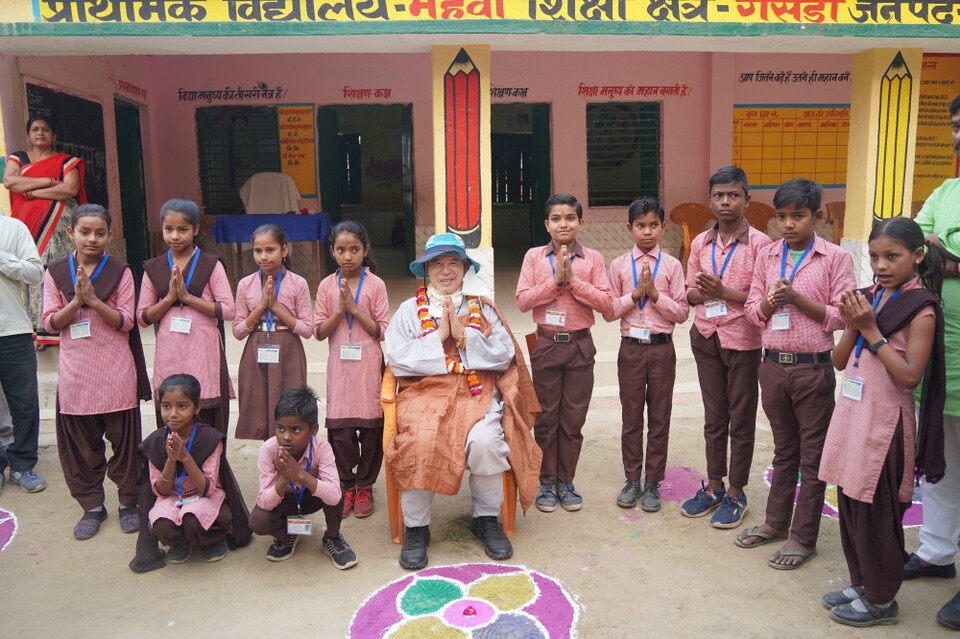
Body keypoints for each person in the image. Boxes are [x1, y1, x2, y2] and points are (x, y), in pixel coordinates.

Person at [385, 233, 541, 570]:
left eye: (453, 263)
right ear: (426, 269)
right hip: (423, 395)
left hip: (476, 393)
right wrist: (438, 337)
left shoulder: (482, 308)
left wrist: (463, 335)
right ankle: (417, 529)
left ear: (464, 268)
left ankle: (485, 519)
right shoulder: (409, 310)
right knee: (419, 441)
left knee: (486, 441)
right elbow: (396, 359)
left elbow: (504, 355)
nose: (445, 271)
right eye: (437, 264)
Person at [819, 217, 945, 626]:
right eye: (874, 256)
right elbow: (838, 361)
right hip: (853, 415)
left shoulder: (920, 308)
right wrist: (855, 325)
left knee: (876, 511)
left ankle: (882, 598)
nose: (881, 265)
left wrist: (871, 330)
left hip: (885, 423)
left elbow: (909, 376)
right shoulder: (867, 297)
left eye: (893, 256)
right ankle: (862, 582)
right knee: (851, 503)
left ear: (918, 256)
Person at [739, 179, 855, 567]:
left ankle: (804, 538)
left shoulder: (835, 258)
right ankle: (775, 523)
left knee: (812, 456)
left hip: (812, 369)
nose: (788, 225)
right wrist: (771, 303)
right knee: (784, 451)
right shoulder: (768, 256)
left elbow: (841, 315)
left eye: (798, 216)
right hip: (772, 366)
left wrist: (797, 299)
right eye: (782, 217)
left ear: (816, 217)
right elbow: (752, 313)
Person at [42, 204, 151, 539]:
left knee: (125, 444)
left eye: (100, 233)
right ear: (70, 233)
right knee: (81, 448)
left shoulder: (120, 271)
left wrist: (93, 299)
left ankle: (129, 502)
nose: (92, 239)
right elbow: (49, 322)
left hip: (116, 373)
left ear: (109, 235)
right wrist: (76, 302)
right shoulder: (56, 272)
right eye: (85, 232)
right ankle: (91, 505)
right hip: (76, 375)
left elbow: (126, 322)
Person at [681, 166, 772, 528]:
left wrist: (723, 293)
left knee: (741, 418)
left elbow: (764, 298)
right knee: (714, 417)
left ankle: (737, 492)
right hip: (706, 336)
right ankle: (714, 486)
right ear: (710, 200)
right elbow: (687, 292)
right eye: (718, 196)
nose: (725, 202)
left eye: (733, 195)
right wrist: (702, 293)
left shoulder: (763, 244)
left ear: (747, 200)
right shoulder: (701, 242)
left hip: (743, 339)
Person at [515, 194, 611, 513]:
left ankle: (565, 481)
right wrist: (555, 282)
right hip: (546, 344)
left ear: (580, 223)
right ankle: (546, 481)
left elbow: (606, 303)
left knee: (572, 419)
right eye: (556, 218)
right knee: (545, 417)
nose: (563, 223)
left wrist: (575, 283)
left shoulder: (593, 259)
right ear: (547, 224)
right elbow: (523, 300)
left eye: (570, 217)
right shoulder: (533, 257)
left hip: (580, 344)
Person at [904, 92, 960, 630]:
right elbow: (921, 249)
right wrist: (938, 255)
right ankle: (937, 554)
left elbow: (936, 254)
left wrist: (946, 256)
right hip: (944, 360)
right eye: (957, 126)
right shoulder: (945, 190)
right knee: (940, 464)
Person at [602, 197, 689, 511]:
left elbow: (681, 313)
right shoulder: (619, 266)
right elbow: (609, 311)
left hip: (662, 349)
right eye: (640, 225)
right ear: (630, 228)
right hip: (632, 351)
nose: (647, 232)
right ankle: (631, 480)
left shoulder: (673, 266)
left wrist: (655, 295)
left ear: (663, 227)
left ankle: (653, 483)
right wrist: (634, 294)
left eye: (654, 225)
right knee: (631, 417)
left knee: (659, 418)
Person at [129, 374, 251, 572]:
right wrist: (170, 459)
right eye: (166, 406)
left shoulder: (210, 439)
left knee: (192, 517)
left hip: (203, 496)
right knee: (160, 523)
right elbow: (159, 491)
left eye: (182, 406)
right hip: (172, 496)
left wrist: (185, 457)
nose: (173, 414)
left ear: (197, 407)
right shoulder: (154, 443)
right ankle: (180, 543)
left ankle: (211, 541)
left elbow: (207, 488)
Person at [138, 199, 235, 435]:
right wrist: (170, 299)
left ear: (196, 229)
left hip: (203, 351)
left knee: (207, 415)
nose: (175, 236)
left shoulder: (211, 264)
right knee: (173, 412)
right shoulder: (154, 267)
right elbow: (142, 317)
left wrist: (188, 298)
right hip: (170, 350)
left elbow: (229, 310)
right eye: (168, 229)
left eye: (183, 230)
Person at [314, 221, 389, 519]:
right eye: (342, 250)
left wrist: (355, 310)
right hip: (340, 368)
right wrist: (339, 311)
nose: (348, 256)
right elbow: (318, 332)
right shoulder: (324, 286)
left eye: (355, 250)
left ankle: (365, 486)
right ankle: (346, 485)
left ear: (365, 250)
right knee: (341, 430)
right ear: (332, 251)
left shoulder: (375, 285)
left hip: (369, 364)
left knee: (371, 427)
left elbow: (382, 330)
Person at [249, 385, 358, 569]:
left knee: (337, 488)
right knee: (258, 521)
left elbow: (333, 496)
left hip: (310, 497)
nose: (286, 437)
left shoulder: (321, 448)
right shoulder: (269, 449)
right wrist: (284, 478)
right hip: (283, 500)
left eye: (296, 430)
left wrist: (300, 474)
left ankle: (332, 537)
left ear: (313, 430)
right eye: (280, 428)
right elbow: (264, 503)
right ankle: (288, 533)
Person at [3, 115, 86, 349]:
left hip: (59, 226)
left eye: (46, 129)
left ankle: (61, 325)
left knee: (57, 271)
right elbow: (10, 182)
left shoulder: (66, 161)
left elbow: (69, 188)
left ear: (54, 135)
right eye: (35, 129)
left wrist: (32, 190)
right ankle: (37, 331)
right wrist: (50, 182)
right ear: (29, 135)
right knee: (30, 271)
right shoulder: (18, 157)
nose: (40, 133)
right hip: (26, 224)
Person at [233, 224, 312, 440]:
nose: (263, 256)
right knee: (258, 406)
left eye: (270, 250)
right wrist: (260, 308)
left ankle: (292, 458)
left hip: (288, 349)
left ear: (284, 251)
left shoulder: (298, 283)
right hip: (256, 348)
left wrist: (276, 307)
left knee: (291, 406)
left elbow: (307, 329)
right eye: (258, 251)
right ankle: (268, 463)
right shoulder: (245, 284)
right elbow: (238, 331)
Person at [0, 213, 46, 493]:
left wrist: (2, 259)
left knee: (25, 404)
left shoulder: (12, 228)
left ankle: (22, 465)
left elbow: (35, 272)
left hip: (13, 331)